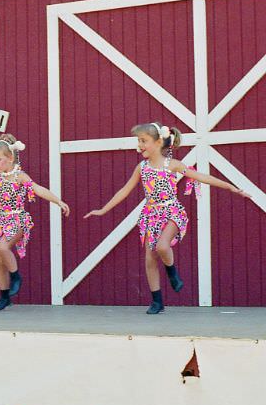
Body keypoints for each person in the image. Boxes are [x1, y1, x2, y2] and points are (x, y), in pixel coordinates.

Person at [85, 122, 251, 314]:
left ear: (157, 142)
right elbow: (125, 190)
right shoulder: (142, 167)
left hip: (171, 211)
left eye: (143, 141)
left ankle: (172, 271)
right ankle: (157, 301)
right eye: (138, 141)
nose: (139, 145)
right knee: (150, 258)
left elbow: (201, 176)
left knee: (162, 246)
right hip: (150, 214)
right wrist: (103, 209)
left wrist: (230, 187)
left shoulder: (172, 165)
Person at [0, 135, 70, 311]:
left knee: (2, 248)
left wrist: (58, 201)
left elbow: (38, 189)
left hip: (18, 219)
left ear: (11, 158)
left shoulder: (20, 176)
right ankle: (4, 296)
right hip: (2, 221)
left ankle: (16, 276)